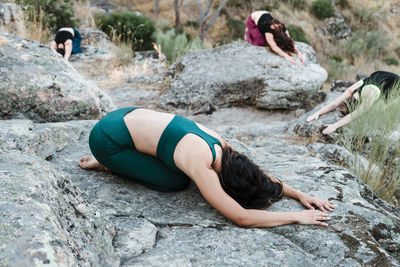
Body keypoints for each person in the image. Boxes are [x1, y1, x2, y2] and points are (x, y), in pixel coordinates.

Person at [79, 107, 335, 228]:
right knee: (176, 182)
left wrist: (301, 194)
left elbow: (259, 177)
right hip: (106, 139)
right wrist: (296, 216)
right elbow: (241, 217)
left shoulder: (224, 148)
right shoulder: (201, 166)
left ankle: (126, 156)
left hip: (122, 114)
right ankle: (108, 162)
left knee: (177, 168)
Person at [307, 71, 399, 135]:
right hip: (379, 74)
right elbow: (334, 104)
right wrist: (316, 113)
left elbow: (355, 114)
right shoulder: (352, 90)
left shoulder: (370, 97)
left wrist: (335, 126)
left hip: (394, 84)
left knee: (383, 109)